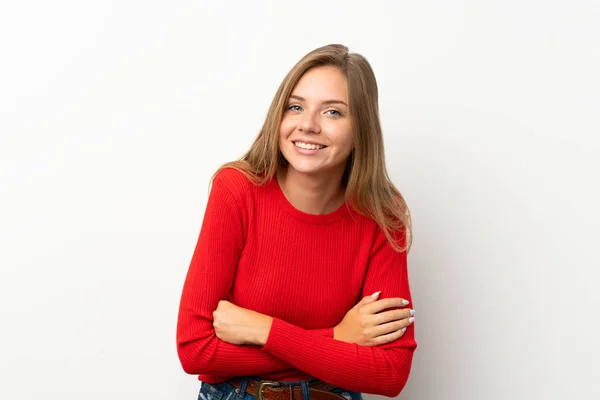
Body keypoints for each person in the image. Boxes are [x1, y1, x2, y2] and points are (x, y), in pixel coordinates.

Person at [176, 44, 417, 400]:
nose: (308, 125)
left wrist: (262, 329)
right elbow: (196, 349)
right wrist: (335, 338)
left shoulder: (382, 213)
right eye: (296, 106)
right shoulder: (237, 190)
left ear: (361, 127)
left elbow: (390, 373)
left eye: (333, 112)